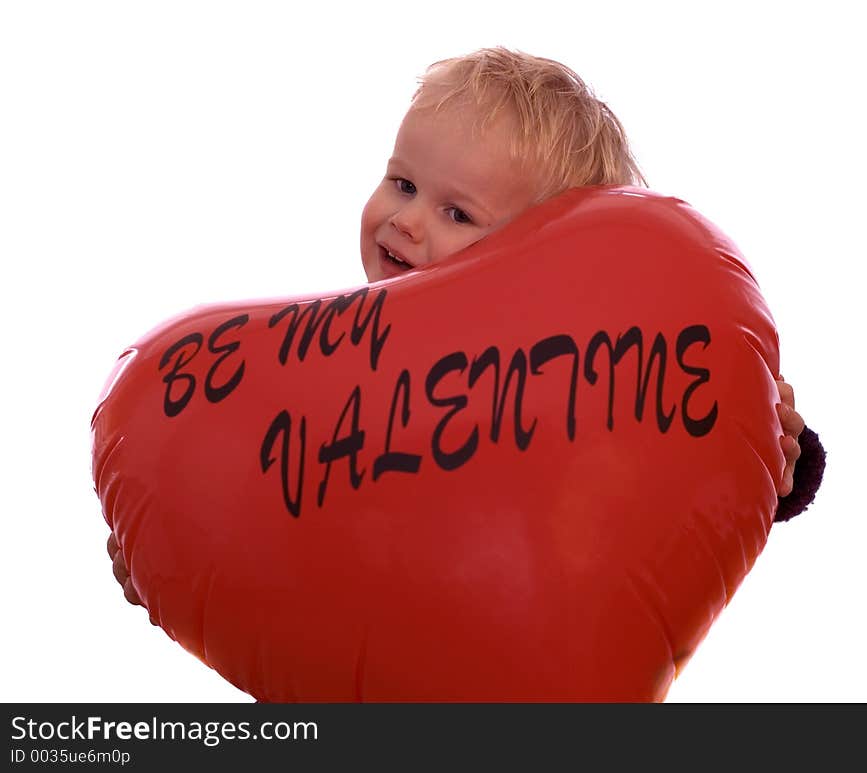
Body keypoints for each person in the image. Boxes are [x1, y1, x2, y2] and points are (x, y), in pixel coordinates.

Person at [107, 46, 815, 611]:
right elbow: (260, 497)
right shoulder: (322, 367)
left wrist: (761, 452)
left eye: (457, 214)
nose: (405, 220)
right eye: (404, 183)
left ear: (540, 258)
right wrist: (173, 551)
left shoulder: (563, 383)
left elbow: (645, 466)